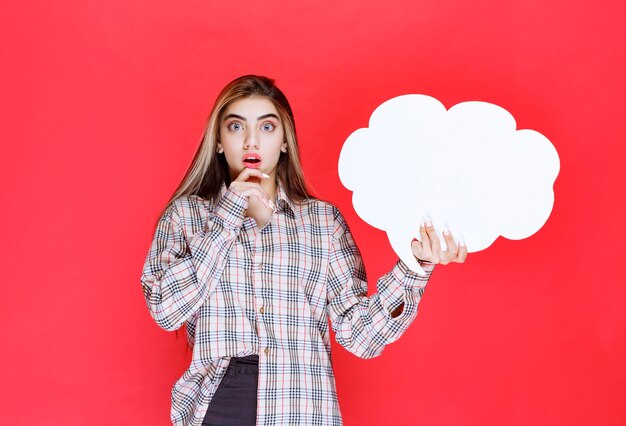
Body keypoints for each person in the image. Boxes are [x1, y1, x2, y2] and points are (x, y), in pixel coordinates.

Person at [140, 75, 467, 426]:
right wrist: (229, 212)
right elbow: (166, 310)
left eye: (267, 127)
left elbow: (360, 337)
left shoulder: (322, 222)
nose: (252, 141)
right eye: (236, 126)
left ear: (284, 142)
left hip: (302, 405)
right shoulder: (187, 215)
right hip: (220, 403)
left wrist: (414, 266)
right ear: (219, 141)